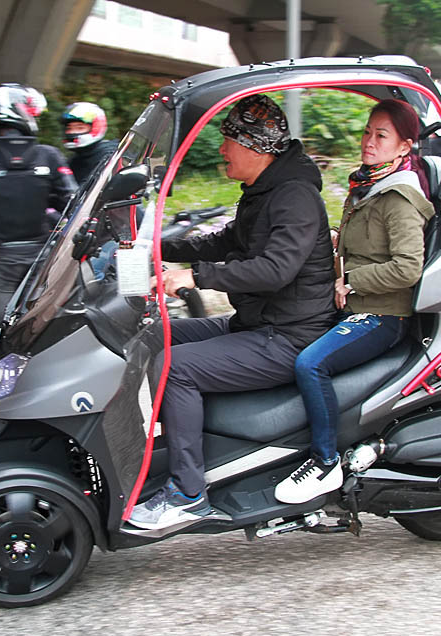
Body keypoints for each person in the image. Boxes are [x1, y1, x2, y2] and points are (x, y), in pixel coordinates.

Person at [127, 94, 337, 530]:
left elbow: (276, 269)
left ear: (256, 147)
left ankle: (187, 493)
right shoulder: (265, 192)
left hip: (290, 334)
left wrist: (196, 277)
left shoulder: (294, 197)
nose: (222, 149)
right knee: (154, 336)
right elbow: (222, 242)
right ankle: (181, 448)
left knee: (175, 366)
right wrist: (155, 247)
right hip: (258, 322)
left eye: (228, 141)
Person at [274, 99, 435, 504]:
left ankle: (325, 461)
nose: (369, 142)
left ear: (404, 147)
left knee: (311, 363)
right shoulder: (367, 187)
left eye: (382, 136)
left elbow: (407, 268)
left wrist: (352, 281)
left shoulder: (398, 197)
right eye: (367, 132)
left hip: (383, 315)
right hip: (354, 303)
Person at [0, 83, 77, 356]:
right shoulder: (49, 155)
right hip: (41, 256)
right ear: (23, 113)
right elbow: (72, 203)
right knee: (48, 320)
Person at [61, 102, 118, 186]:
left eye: (80, 127)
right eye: (69, 128)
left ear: (96, 127)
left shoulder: (108, 156)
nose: (72, 132)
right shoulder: (75, 160)